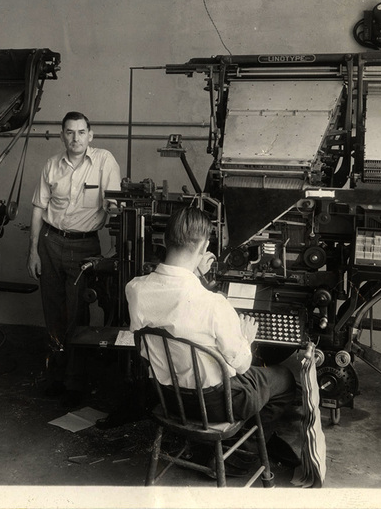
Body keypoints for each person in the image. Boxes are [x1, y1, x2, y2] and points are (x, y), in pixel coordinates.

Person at [125, 206, 300, 472]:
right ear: (204, 245)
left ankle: (208, 444)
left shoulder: (135, 289)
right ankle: (241, 454)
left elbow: (171, 310)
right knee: (285, 379)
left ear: (163, 240)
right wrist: (246, 338)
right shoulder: (214, 303)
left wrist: (196, 274)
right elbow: (241, 365)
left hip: (170, 400)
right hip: (217, 405)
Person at [27, 111, 122, 407]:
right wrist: (33, 251)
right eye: (70, 132)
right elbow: (37, 210)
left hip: (84, 247)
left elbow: (115, 203)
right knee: (53, 312)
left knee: (77, 314)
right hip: (51, 243)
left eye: (81, 132)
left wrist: (114, 207)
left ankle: (76, 382)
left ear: (90, 135)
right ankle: (56, 377)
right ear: (62, 136)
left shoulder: (105, 160)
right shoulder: (52, 165)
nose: (76, 138)